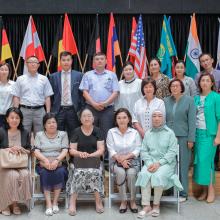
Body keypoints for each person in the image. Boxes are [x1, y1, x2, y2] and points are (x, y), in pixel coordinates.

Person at [136, 110, 183, 218]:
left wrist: (158, 163)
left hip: (166, 163)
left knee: (158, 175)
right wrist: (148, 163)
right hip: (150, 163)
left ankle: (156, 205)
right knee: (144, 174)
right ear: (151, 119)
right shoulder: (148, 133)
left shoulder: (170, 133)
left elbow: (172, 152)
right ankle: (146, 205)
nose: (157, 118)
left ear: (163, 118)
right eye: (154, 116)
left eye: (159, 116)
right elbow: (143, 151)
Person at [66, 108, 105, 215]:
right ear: (80, 119)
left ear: (93, 118)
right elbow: (72, 150)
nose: (87, 118)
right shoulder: (76, 131)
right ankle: (72, 202)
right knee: (78, 173)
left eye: (89, 116)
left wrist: (91, 155)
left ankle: (98, 201)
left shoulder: (98, 131)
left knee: (95, 172)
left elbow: (101, 150)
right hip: (78, 162)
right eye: (84, 116)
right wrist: (80, 154)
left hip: (95, 161)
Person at [164, 79, 196, 201]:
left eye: (177, 86)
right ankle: (169, 191)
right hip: (168, 137)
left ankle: (183, 193)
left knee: (182, 165)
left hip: (184, 137)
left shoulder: (189, 101)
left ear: (182, 87)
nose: (175, 88)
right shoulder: (166, 101)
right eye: (172, 86)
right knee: (169, 164)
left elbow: (192, 121)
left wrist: (191, 139)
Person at [33, 113, 69, 216]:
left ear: (57, 124)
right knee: (45, 172)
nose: (51, 124)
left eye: (53, 122)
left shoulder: (63, 134)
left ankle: (55, 202)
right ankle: (48, 204)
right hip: (43, 162)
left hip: (59, 162)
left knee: (60, 171)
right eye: (49, 122)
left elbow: (65, 150)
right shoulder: (39, 135)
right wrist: (45, 161)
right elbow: (36, 151)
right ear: (44, 125)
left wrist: (57, 160)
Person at [107, 108, 141, 214]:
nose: (122, 120)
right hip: (115, 162)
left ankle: (132, 201)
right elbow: (111, 149)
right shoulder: (111, 132)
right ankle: (123, 201)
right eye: (119, 118)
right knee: (121, 173)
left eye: (124, 117)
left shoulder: (134, 132)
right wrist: (121, 161)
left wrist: (125, 158)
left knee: (131, 173)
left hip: (132, 161)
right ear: (116, 120)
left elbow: (138, 149)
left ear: (129, 119)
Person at [79, 52, 119, 140]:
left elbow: (115, 92)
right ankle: (92, 154)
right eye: (97, 59)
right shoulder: (87, 75)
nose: (99, 61)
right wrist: (94, 104)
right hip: (91, 108)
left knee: (106, 133)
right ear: (93, 62)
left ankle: (105, 154)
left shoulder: (112, 75)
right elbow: (84, 92)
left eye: (101, 59)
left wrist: (105, 103)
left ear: (106, 61)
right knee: (90, 132)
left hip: (107, 109)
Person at [193, 73, 220, 203]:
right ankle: (203, 190)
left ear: (212, 83)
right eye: (202, 80)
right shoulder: (196, 98)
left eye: (207, 80)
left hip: (209, 135)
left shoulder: (216, 97)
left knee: (207, 163)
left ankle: (211, 190)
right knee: (199, 163)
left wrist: (218, 137)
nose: (204, 83)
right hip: (197, 134)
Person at [0, 107, 32, 216]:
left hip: (20, 164)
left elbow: (29, 150)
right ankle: (5, 204)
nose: (14, 120)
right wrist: (6, 149)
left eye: (17, 118)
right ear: (7, 119)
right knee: (12, 175)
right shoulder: (1, 131)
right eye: (12, 117)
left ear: (20, 119)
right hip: (4, 165)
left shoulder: (25, 132)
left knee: (25, 174)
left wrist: (21, 149)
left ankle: (14, 204)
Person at [11, 56, 54, 135]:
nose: (33, 64)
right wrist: (16, 111)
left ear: (38, 65)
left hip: (40, 111)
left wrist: (48, 112)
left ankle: (38, 147)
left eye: (35, 62)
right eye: (30, 62)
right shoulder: (20, 79)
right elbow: (16, 96)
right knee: (24, 133)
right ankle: (25, 147)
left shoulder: (44, 79)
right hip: (24, 110)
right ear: (26, 64)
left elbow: (47, 96)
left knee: (40, 134)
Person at [49, 51, 84, 139]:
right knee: (58, 133)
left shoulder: (79, 75)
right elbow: (51, 95)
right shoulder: (53, 76)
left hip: (73, 110)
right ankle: (60, 151)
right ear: (60, 62)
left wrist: (81, 108)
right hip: (58, 110)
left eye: (68, 60)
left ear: (71, 61)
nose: (66, 62)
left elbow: (82, 94)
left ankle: (73, 151)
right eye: (63, 60)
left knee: (74, 133)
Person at [194, 53, 220, 170]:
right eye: (202, 61)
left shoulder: (219, 74)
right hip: (204, 107)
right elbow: (197, 93)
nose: (205, 62)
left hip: (215, 104)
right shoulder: (197, 75)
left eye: (207, 60)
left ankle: (213, 166)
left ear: (212, 60)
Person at [0, 63, 14, 127]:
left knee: (7, 135)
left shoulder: (14, 84)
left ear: (9, 72)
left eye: (6, 70)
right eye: (2, 69)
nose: (4, 72)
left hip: (9, 115)